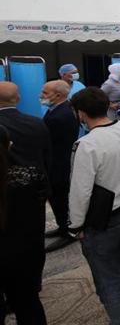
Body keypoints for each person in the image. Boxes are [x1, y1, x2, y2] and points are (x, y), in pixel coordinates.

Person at [68, 87, 120, 325]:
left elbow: (80, 191)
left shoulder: (86, 144)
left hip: (104, 219)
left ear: (81, 114)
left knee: (108, 277)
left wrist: (75, 225)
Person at [0, 82, 51, 300]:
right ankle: (33, 281)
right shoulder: (36, 123)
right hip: (33, 191)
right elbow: (47, 156)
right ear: (18, 99)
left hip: (4, 193)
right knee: (33, 237)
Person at [40, 80, 80, 252]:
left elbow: (51, 142)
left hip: (59, 164)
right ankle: (62, 225)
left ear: (58, 96)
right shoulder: (56, 110)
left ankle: (68, 231)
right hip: (55, 162)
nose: (41, 96)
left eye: (45, 93)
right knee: (56, 198)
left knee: (61, 197)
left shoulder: (62, 115)